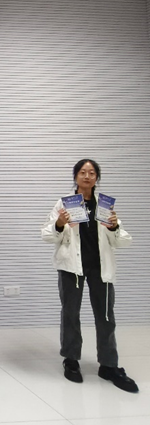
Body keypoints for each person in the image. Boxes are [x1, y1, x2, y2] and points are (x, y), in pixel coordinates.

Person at [41, 159, 138, 393]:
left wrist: (114, 227)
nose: (87, 176)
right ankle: (71, 360)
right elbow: (46, 235)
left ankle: (108, 365)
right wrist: (59, 224)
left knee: (106, 316)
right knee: (71, 314)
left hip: (100, 268)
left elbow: (123, 241)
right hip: (71, 268)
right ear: (75, 176)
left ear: (96, 178)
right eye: (82, 172)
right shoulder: (64, 203)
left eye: (92, 173)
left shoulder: (104, 205)